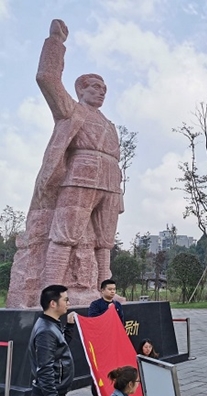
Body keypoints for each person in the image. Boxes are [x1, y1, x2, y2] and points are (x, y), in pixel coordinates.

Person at [35, 19, 122, 291]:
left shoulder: (109, 124)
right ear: (81, 90)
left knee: (105, 241)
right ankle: (51, 289)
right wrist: (56, 42)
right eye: (95, 86)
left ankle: (103, 289)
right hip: (79, 176)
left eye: (104, 89)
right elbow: (47, 78)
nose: (101, 91)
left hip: (110, 182)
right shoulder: (71, 110)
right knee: (65, 234)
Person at [28, 285, 75, 396]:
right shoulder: (46, 331)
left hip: (51, 393)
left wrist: (69, 327)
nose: (68, 303)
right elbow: (45, 367)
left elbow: (59, 349)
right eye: (65, 300)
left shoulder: (51, 323)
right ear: (53, 303)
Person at [89, 279, 125, 396]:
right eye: (110, 289)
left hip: (113, 344)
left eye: (114, 289)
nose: (112, 292)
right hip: (100, 345)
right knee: (98, 371)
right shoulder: (95, 305)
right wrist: (108, 312)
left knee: (115, 371)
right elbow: (93, 322)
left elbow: (121, 324)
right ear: (102, 290)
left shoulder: (118, 305)